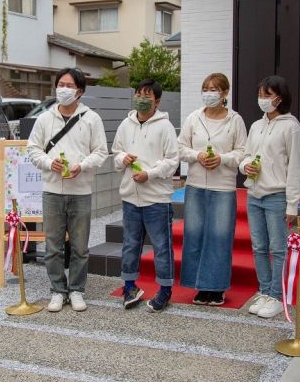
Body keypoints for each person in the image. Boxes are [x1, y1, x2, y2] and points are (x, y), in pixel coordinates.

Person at [27, 68, 107, 312]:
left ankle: (77, 289)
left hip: (80, 190)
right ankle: (57, 291)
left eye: (69, 85)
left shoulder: (91, 118)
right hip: (52, 190)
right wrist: (50, 163)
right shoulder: (44, 119)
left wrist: (81, 166)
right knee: (53, 246)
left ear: (80, 91)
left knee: (80, 247)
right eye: (60, 84)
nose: (63, 89)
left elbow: (101, 152)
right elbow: (33, 149)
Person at [177, 73, 247, 307]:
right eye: (205, 88)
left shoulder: (235, 120)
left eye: (214, 89)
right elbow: (180, 147)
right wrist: (197, 155)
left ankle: (216, 288)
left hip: (223, 186)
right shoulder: (194, 118)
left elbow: (242, 152)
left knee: (219, 236)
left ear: (225, 93)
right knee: (194, 234)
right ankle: (199, 285)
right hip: (195, 185)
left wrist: (222, 159)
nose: (209, 93)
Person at [239, 76, 300, 319]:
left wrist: (292, 203)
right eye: (261, 95)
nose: (263, 100)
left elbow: (296, 168)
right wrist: (246, 166)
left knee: (278, 249)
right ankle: (265, 290)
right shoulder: (256, 125)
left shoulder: (291, 127)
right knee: (259, 247)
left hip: (276, 196)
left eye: (268, 95)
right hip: (254, 194)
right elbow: (245, 155)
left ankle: (277, 295)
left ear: (280, 97)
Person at [111, 79, 179, 310]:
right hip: (130, 197)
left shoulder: (165, 127)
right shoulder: (125, 125)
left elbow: (172, 161)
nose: (140, 98)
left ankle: (165, 290)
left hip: (157, 199)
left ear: (157, 101)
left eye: (147, 95)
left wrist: (149, 174)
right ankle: (129, 287)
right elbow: (116, 154)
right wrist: (123, 158)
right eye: (138, 94)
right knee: (130, 244)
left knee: (161, 246)